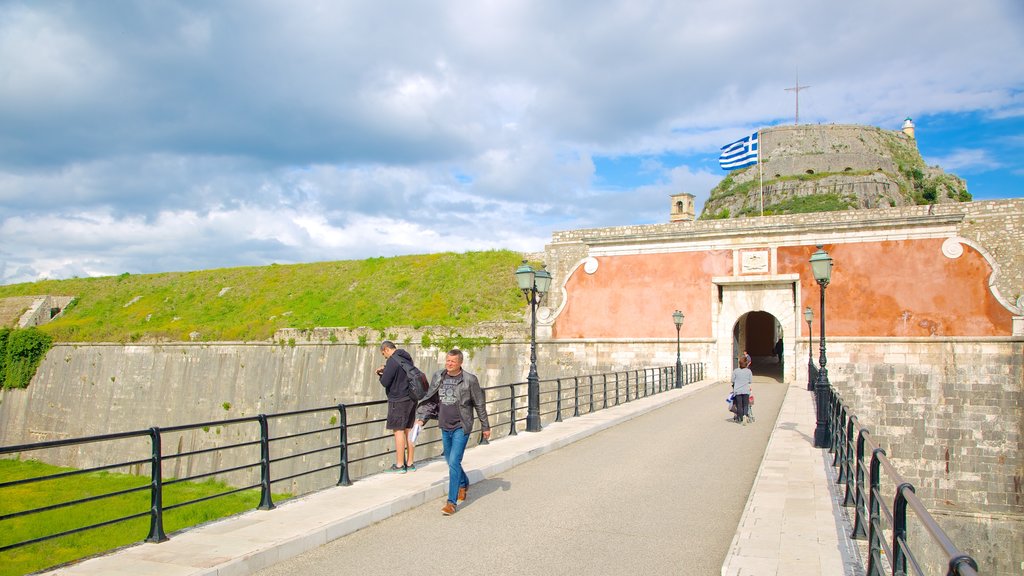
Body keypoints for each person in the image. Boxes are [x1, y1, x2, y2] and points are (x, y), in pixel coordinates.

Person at [415, 348, 491, 515]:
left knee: (454, 462)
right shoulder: (439, 376)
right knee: (450, 461)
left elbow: (479, 404)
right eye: (447, 360)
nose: (449, 364)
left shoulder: (470, 380)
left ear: (460, 363)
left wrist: (485, 426)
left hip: (461, 426)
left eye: (453, 362)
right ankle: (463, 483)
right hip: (444, 425)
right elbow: (431, 400)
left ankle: (451, 502)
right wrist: (422, 419)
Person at [376, 341, 417, 473]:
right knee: (409, 430)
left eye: (384, 354)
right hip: (411, 398)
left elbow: (385, 382)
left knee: (398, 431)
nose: (385, 357)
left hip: (398, 400)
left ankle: (400, 465)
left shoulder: (392, 361)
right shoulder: (406, 357)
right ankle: (410, 463)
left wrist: (381, 373)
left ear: (386, 349)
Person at [732, 356, 753, 425]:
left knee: (739, 405)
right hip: (746, 390)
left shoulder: (735, 371)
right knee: (745, 404)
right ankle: (745, 415)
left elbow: (732, 380)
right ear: (746, 364)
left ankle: (740, 418)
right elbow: (750, 381)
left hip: (737, 390)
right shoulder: (749, 371)